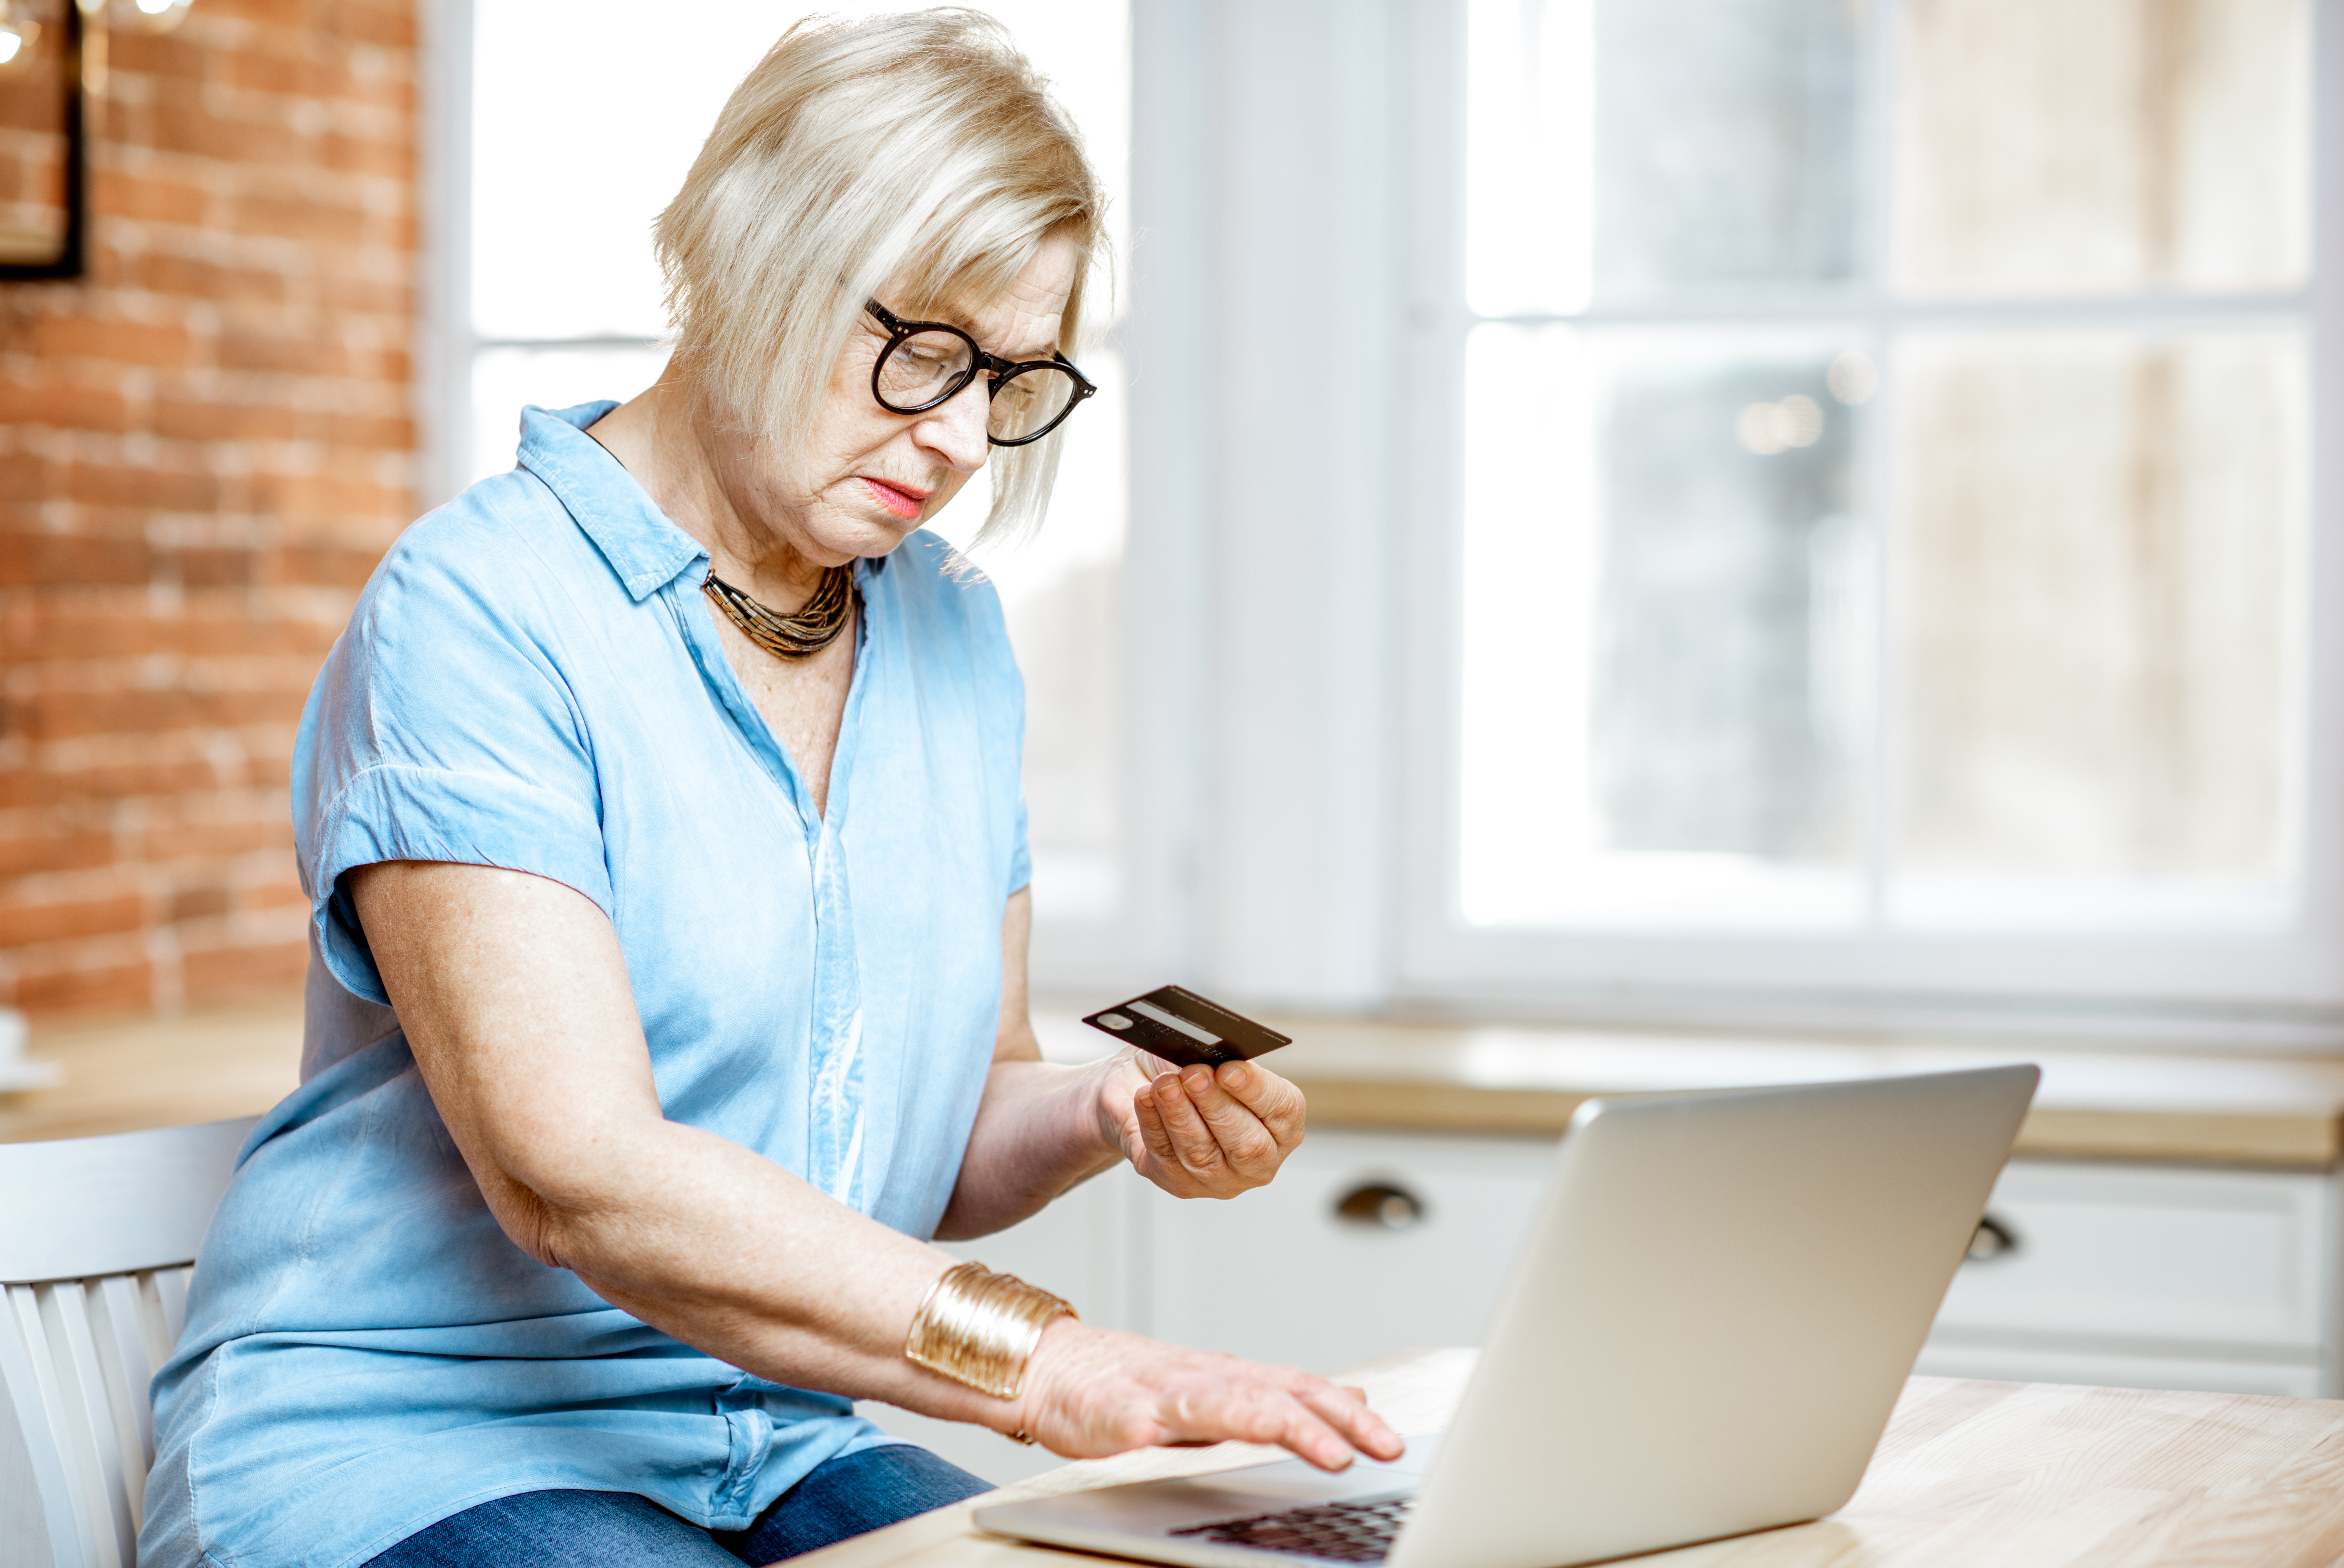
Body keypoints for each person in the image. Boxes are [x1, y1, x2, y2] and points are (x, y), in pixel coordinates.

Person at [136, 10, 1399, 1568]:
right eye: (922, 347)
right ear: (755, 252)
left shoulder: (950, 634)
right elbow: (574, 1177)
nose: (953, 437)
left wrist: (1097, 1107)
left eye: (1009, 379)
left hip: (771, 1436)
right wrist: (1052, 1361)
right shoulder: (478, 612)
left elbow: (932, 1151)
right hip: (413, 1442)